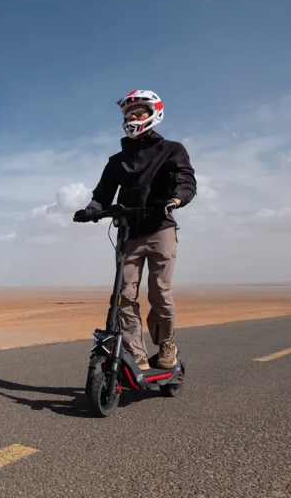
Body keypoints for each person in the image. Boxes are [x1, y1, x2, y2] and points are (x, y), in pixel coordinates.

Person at [73, 90, 196, 371]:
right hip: (128, 232)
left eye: (137, 112)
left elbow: (186, 181)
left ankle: (166, 344)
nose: (131, 118)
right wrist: (89, 211)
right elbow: (102, 195)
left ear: (153, 113)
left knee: (159, 291)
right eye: (128, 114)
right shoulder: (117, 161)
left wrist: (174, 200)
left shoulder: (172, 150)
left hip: (160, 228)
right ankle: (136, 353)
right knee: (123, 294)